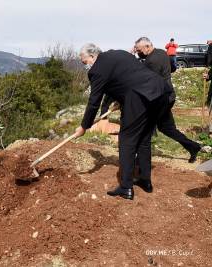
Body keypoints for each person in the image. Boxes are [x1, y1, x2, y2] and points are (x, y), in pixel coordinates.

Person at [75, 43, 172, 200]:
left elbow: (94, 101)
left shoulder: (97, 69)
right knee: (144, 138)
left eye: (84, 62)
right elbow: (129, 77)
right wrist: (121, 98)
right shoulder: (119, 53)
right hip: (161, 92)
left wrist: (84, 126)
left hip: (140, 98)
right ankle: (145, 180)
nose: (86, 66)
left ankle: (126, 187)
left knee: (127, 140)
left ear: (92, 56)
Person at [135, 37, 201, 164]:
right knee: (167, 128)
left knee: (146, 128)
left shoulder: (151, 61)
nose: (139, 52)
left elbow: (149, 83)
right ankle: (193, 147)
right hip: (169, 95)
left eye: (139, 50)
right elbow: (173, 68)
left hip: (160, 99)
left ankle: (140, 160)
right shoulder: (161, 52)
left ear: (147, 47)